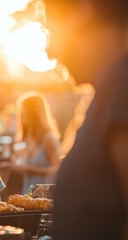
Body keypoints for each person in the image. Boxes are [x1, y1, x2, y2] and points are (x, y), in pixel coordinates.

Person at [44, 0, 128, 239]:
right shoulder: (109, 89)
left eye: (50, 30)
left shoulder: (121, 83)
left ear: (82, 10)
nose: (49, 52)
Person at [0, 91, 62, 195]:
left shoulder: (48, 138)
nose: (20, 114)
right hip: (28, 195)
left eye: (23, 110)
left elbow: (58, 169)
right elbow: (19, 163)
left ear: (33, 113)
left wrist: (29, 169)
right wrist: (8, 165)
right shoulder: (25, 138)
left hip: (46, 198)